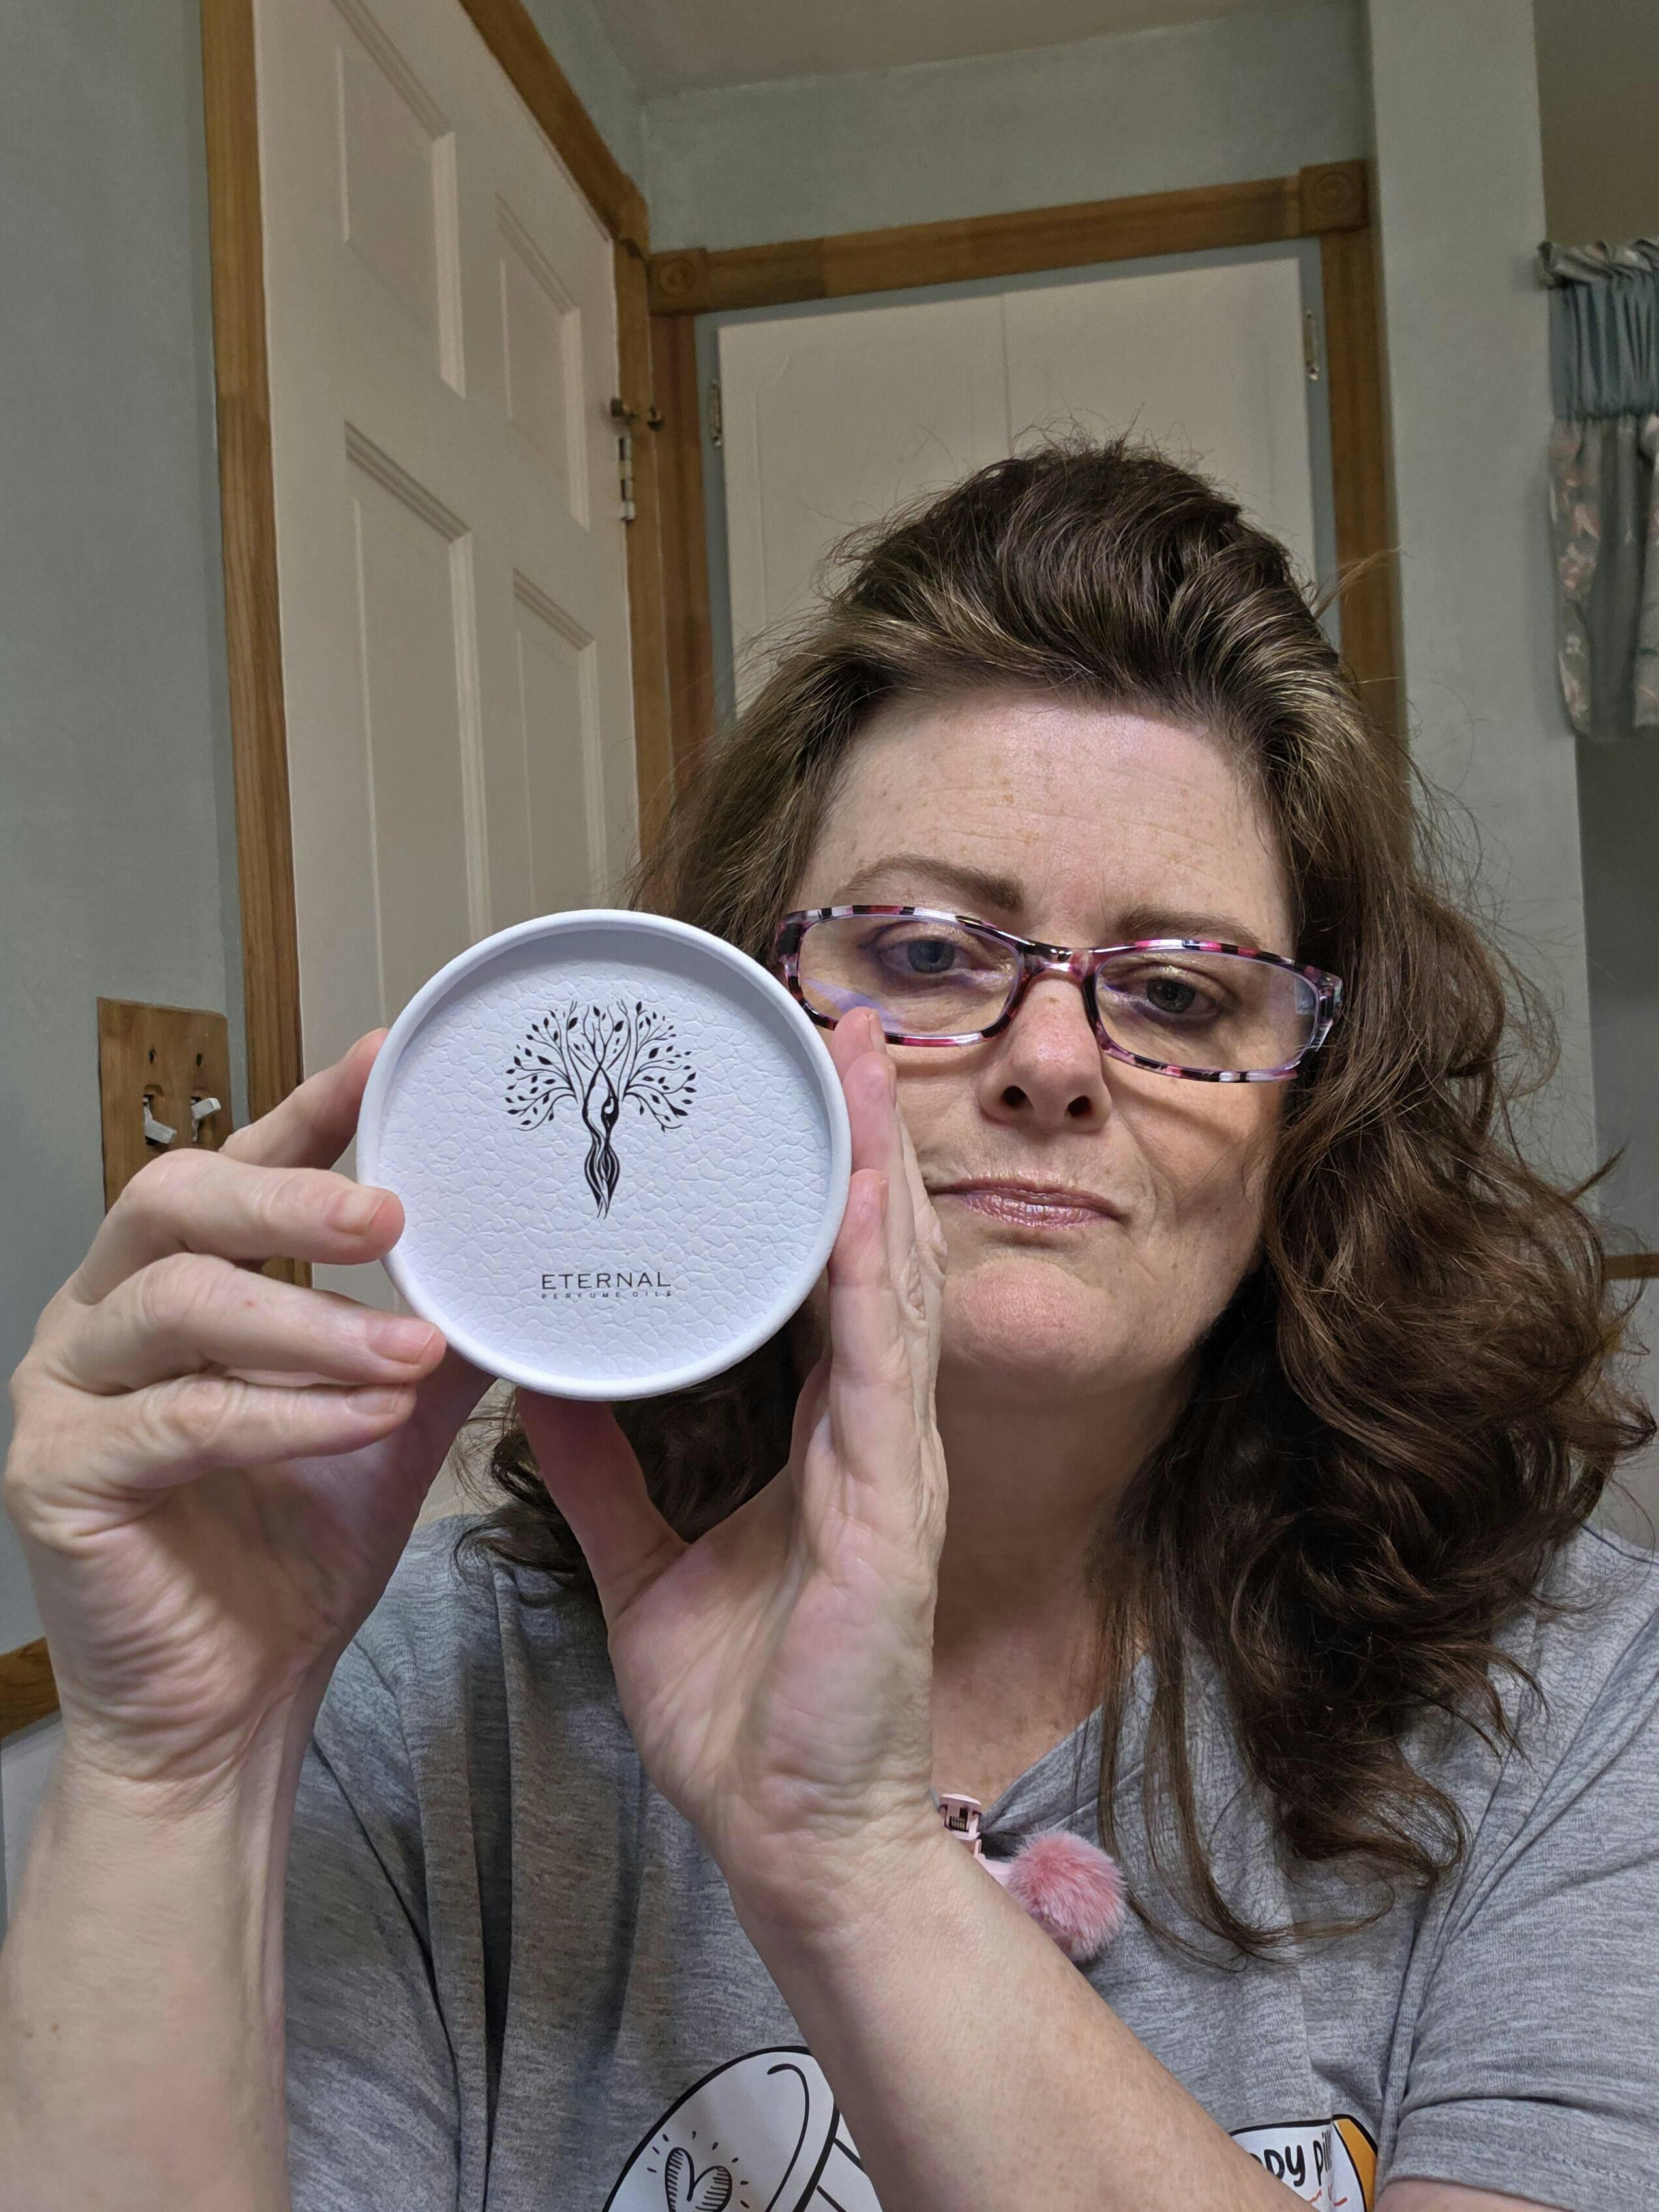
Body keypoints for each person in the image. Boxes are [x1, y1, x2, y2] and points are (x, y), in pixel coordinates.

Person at [3, 440, 1656, 2212]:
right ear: (747, 1018)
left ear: (1312, 1102)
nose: (1049, 1062)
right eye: (931, 954)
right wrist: (176, 1774)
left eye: (1180, 992)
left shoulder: (1568, 1704)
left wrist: (854, 1862)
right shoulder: (432, 1707)